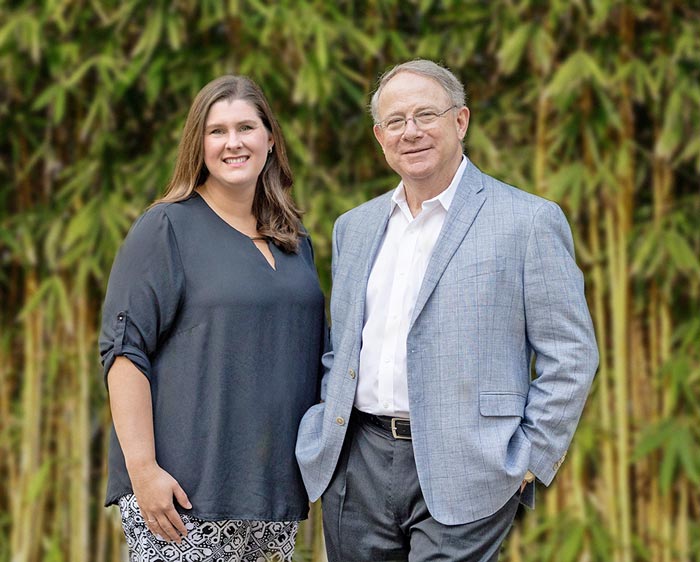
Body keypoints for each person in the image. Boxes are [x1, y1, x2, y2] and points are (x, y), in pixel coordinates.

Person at [295, 59, 599, 561]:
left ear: (461, 121)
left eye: (425, 115)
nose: (410, 132)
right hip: (357, 464)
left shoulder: (527, 221)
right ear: (379, 136)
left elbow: (571, 354)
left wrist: (528, 459)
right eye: (395, 122)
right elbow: (343, 347)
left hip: (470, 465)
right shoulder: (355, 226)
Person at [99, 75, 326, 562]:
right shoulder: (166, 227)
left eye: (246, 127)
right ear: (197, 144)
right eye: (217, 131)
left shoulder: (294, 241)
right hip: (182, 498)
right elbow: (123, 353)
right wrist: (143, 471)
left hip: (269, 498)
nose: (233, 142)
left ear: (270, 139)